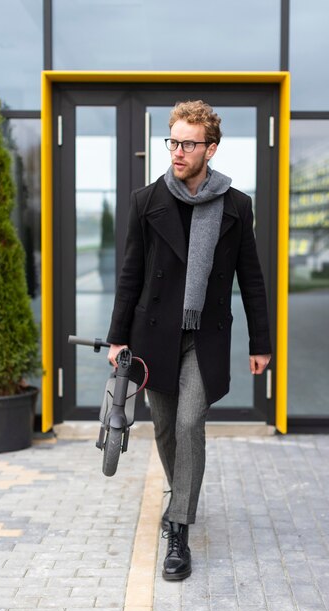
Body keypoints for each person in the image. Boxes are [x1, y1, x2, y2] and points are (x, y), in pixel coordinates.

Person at [107, 100, 271, 581]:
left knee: (188, 423)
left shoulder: (236, 206)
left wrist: (260, 343)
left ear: (211, 149)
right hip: (154, 334)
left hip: (206, 336)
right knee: (163, 428)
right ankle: (181, 496)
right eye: (172, 141)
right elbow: (131, 273)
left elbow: (252, 279)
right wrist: (118, 338)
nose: (177, 152)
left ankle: (178, 528)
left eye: (188, 144)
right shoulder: (147, 199)